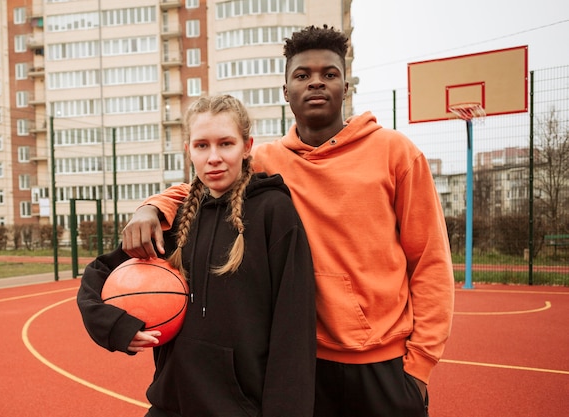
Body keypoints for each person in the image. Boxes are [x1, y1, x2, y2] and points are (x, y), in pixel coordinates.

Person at [122, 25, 455, 417]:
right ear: (286, 91)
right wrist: (150, 207)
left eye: (329, 74)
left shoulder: (395, 153)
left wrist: (419, 368)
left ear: (345, 86)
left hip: (380, 364)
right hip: (302, 364)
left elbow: (430, 262)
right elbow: (201, 186)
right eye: (302, 75)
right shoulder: (266, 161)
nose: (316, 83)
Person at [77, 95, 316, 417]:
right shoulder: (174, 218)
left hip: (242, 409)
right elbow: (99, 272)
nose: (214, 157)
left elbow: (293, 331)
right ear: (188, 149)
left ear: (247, 146)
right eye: (202, 146)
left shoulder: (274, 212)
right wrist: (114, 326)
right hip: (171, 403)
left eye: (226, 144)